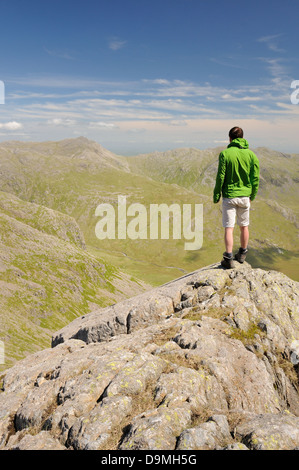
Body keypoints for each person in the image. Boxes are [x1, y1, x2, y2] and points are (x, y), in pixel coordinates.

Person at [213, 127, 260, 269]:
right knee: (244, 226)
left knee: (229, 228)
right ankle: (242, 254)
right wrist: (253, 194)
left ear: (230, 139)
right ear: (243, 138)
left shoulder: (225, 154)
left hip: (230, 196)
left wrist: (216, 195)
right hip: (245, 196)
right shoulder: (251, 155)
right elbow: (255, 178)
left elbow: (220, 176)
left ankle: (228, 257)